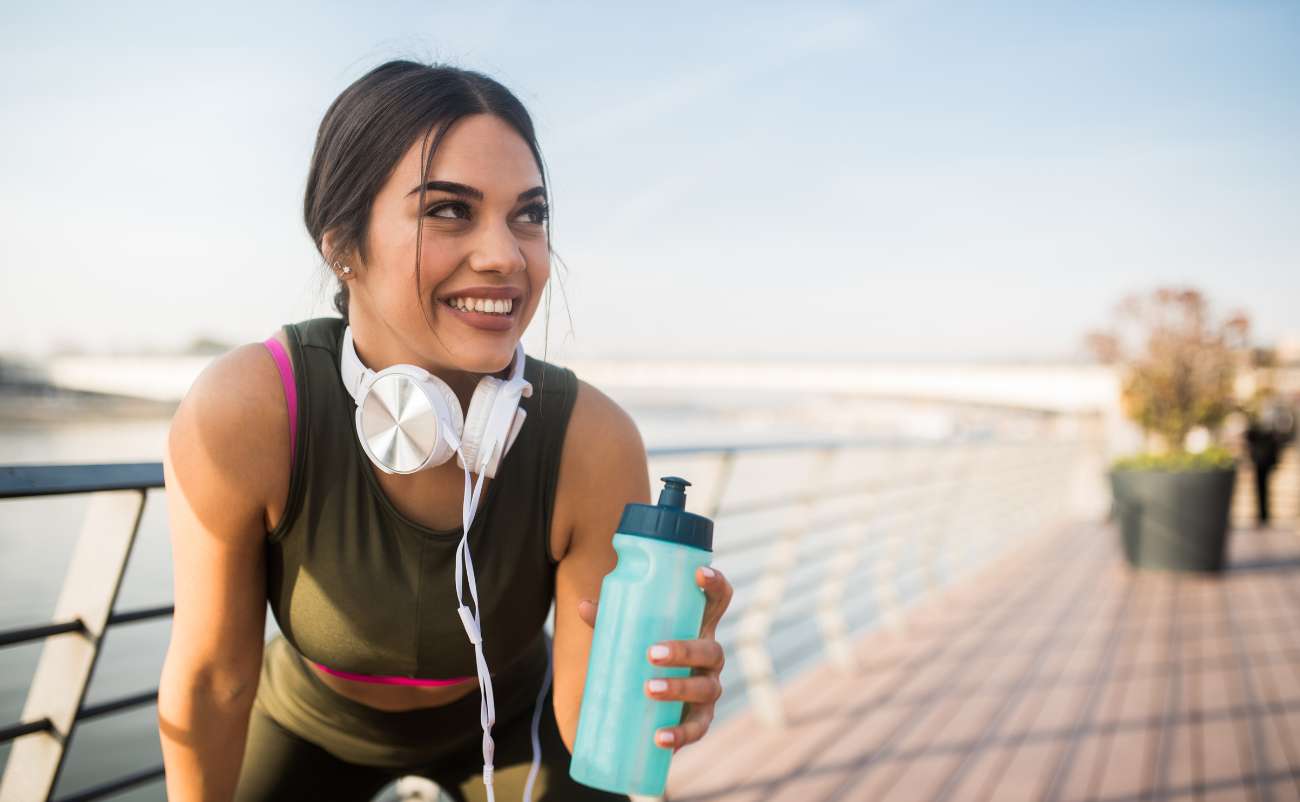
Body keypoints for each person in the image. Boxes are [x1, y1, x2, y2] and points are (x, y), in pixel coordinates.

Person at [157, 61, 733, 802]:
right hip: (310, 722)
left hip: (513, 720)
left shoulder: (593, 440)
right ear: (342, 243)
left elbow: (595, 720)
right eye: (449, 210)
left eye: (529, 215)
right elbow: (212, 680)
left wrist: (659, 685)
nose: (505, 254)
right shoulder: (249, 409)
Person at [1244, 393, 1296, 526]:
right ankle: (1263, 515)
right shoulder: (1259, 426)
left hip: (1263, 461)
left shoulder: (1269, 427)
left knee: (1263, 487)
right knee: (1261, 487)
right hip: (1260, 461)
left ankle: (1264, 515)